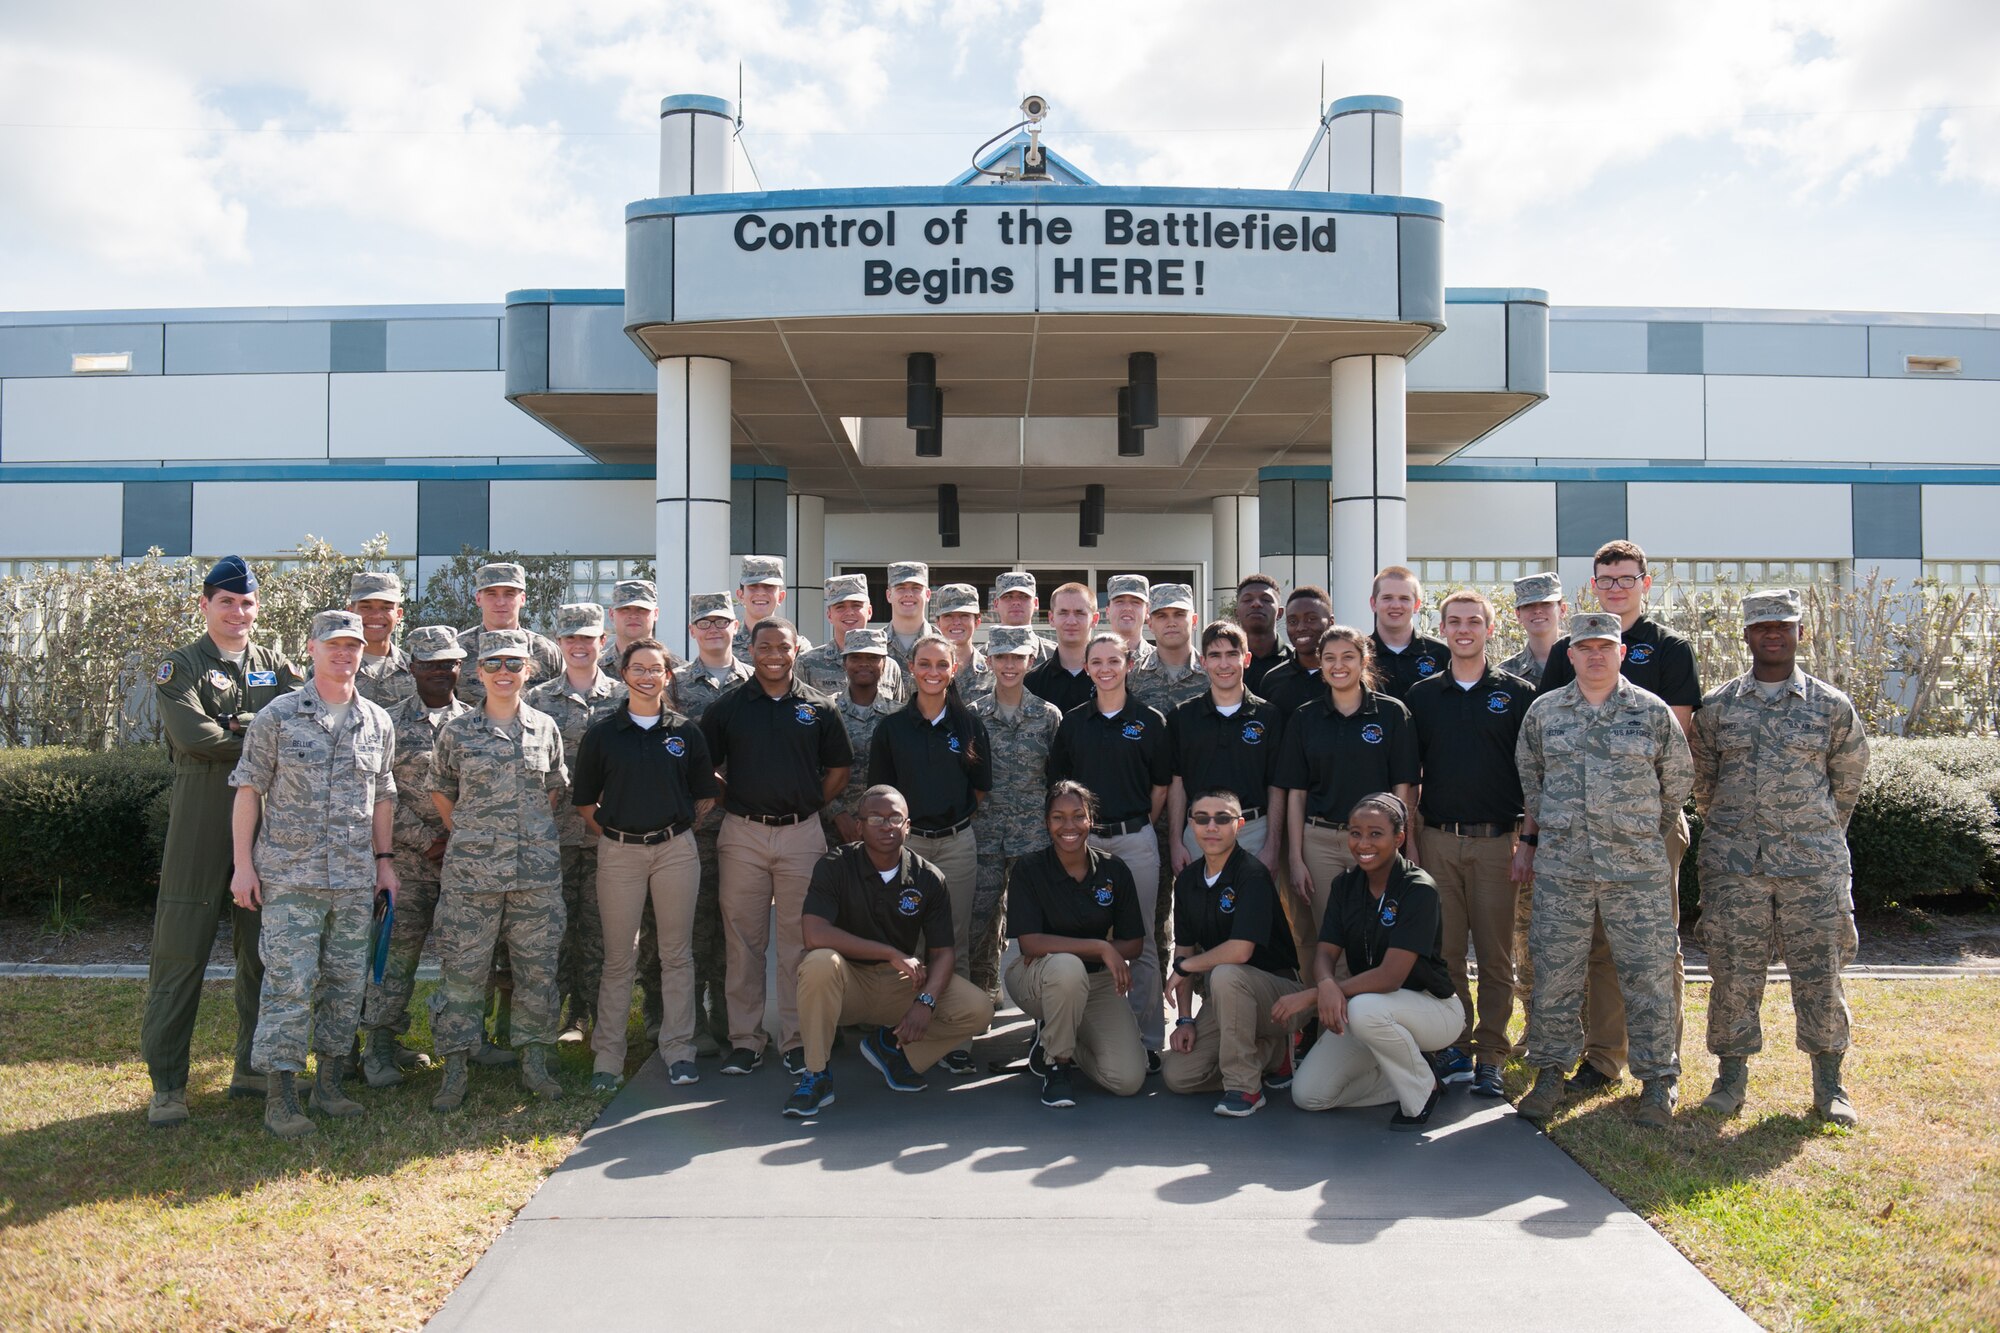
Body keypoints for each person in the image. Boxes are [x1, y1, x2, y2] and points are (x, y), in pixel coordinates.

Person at [1693, 589, 1869, 1126]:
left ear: (1799, 633)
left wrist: (1810, 835)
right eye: (1762, 626)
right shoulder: (1718, 708)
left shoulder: (1830, 705)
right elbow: (1704, 786)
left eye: (1783, 625)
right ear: (1746, 635)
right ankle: (1730, 1080)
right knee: (1732, 973)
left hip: (1812, 867)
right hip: (1734, 868)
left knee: (1820, 973)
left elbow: (1848, 781)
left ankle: (1830, 1084)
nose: (1773, 633)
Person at [1515, 612, 1693, 1128]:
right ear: (1569, 655)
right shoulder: (1545, 714)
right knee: (1555, 973)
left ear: (1621, 653)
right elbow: (1532, 779)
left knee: (1648, 974)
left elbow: (1676, 781)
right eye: (1585, 647)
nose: (1595, 655)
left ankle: (1658, 1079)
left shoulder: (1651, 712)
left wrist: (1633, 831)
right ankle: (1550, 1071)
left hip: (1635, 871)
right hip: (1563, 870)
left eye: (1605, 647)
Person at [143, 554, 302, 1129]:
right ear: (205, 604)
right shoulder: (179, 665)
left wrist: (240, 727)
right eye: (226, 602)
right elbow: (194, 736)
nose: (238, 612)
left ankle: (252, 1068)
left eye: (246, 603)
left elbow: (303, 719)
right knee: (180, 952)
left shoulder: (275, 664)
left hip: (267, 818)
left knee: (261, 950)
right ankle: (168, 1086)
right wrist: (260, 734)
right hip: (201, 813)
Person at [228, 610, 398, 1138]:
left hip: (351, 879)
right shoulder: (278, 717)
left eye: (352, 646)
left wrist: (384, 862)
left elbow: (383, 796)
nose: (344, 654)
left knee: (346, 985)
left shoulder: (377, 720)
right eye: (334, 646)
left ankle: (328, 1084)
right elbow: (248, 791)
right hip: (291, 878)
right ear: (311, 649)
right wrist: (242, 866)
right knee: (288, 984)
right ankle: (281, 1095)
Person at [700, 618, 854, 1076]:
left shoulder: (819, 707)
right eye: (764, 645)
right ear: (749, 649)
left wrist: (808, 803)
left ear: (795, 651)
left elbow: (839, 769)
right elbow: (705, 767)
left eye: (782, 646)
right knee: (743, 941)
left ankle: (795, 1039)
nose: (773, 654)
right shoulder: (727, 708)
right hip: (742, 834)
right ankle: (746, 1039)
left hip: (802, 833)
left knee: (797, 942)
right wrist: (738, 800)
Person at [786, 787, 995, 1116]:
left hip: (899, 983)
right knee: (817, 962)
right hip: (846, 982)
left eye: (895, 818)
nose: (886, 826)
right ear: (859, 826)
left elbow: (943, 953)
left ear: (908, 826)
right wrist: (888, 951)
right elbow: (814, 934)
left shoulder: (929, 877)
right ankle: (816, 1074)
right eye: (876, 818)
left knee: (979, 1009)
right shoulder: (834, 866)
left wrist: (925, 1002)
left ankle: (893, 1050)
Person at [428, 629, 570, 1112]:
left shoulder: (545, 728)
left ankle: (535, 1063)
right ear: (478, 673)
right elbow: (442, 790)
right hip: (472, 878)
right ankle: (454, 1069)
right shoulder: (457, 731)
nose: (503, 673)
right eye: (493, 665)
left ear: (528, 671)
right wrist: (472, 833)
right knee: (463, 974)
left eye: (514, 664)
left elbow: (553, 789)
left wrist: (522, 834)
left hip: (535, 875)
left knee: (537, 972)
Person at [573, 637, 720, 1094]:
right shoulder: (603, 733)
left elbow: (705, 796)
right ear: (624, 674)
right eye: (638, 668)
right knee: (620, 958)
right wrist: (620, 836)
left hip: (675, 850)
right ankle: (608, 1057)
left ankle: (678, 1050)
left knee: (677, 955)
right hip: (619, 853)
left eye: (655, 669)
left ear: (667, 676)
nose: (647, 675)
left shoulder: (685, 732)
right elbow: (583, 802)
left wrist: (670, 832)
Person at [1403, 590, 1534, 1096]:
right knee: (1448, 953)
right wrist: (1412, 841)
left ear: (1490, 629)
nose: (1464, 630)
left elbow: (1532, 775)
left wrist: (1529, 841)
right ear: (1442, 628)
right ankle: (1456, 1045)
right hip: (1438, 840)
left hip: (1498, 843)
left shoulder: (1517, 693)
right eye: (1454, 622)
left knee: (1498, 957)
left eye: (1474, 622)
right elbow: (1411, 777)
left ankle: (1492, 1054)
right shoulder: (1423, 696)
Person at [1279, 793, 1464, 1130]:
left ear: (1399, 838)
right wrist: (1325, 984)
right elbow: (1324, 953)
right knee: (1309, 1095)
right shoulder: (1344, 886)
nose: (1363, 842)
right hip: (1374, 1011)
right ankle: (1412, 1073)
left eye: (1375, 833)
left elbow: (1391, 976)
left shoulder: (1418, 889)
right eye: (1355, 832)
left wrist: (1314, 995)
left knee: (1363, 1009)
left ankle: (1423, 1092)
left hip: (1433, 1009)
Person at [867, 633, 992, 1072]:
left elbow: (979, 789)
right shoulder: (892, 728)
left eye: (943, 664)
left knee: (952, 938)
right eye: (925, 664)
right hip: (908, 847)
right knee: (908, 940)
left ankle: (954, 1036)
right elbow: (880, 797)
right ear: (910, 667)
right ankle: (904, 1029)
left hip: (957, 844)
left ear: (953, 670)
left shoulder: (969, 725)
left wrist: (948, 823)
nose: (933, 672)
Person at [1047, 630, 1174, 1061]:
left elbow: (1161, 786)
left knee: (1141, 941)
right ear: (1087, 668)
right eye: (1096, 662)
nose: (1104, 669)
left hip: (1136, 840)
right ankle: (1069, 1039)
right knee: (1076, 938)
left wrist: (1137, 827)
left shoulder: (1150, 721)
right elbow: (1060, 787)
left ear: (1129, 665)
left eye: (1113, 661)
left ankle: (1149, 1042)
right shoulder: (1074, 722)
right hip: (1083, 844)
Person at [358, 625, 473, 1087]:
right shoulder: (384, 721)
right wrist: (426, 839)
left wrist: (458, 838)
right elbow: (375, 791)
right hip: (406, 863)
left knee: (466, 956)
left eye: (448, 663)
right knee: (394, 959)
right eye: (429, 664)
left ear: (460, 667)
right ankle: (379, 1050)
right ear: (412, 668)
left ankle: (467, 1041)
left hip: (464, 861)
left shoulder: (476, 720)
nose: (440, 672)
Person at [1003, 781, 1148, 1107]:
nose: (1068, 826)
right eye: (1058, 817)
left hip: (1095, 983)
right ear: (1046, 822)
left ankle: (1060, 1034)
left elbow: (1134, 944)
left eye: (1078, 816)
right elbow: (1030, 944)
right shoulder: (1028, 869)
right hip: (1037, 977)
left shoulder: (1114, 869)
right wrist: (1101, 947)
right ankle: (1057, 1065)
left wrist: (1107, 950)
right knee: (1066, 966)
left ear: (1091, 820)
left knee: (1127, 1080)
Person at [1161, 789, 1303, 1116]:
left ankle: (1245, 1088)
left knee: (1225, 973)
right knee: (1178, 1076)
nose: (1212, 827)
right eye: (1202, 819)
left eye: (1222, 819)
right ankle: (1272, 1055)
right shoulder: (1186, 883)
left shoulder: (1251, 874)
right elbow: (1182, 951)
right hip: (1228, 998)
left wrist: (1186, 967)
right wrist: (1183, 1019)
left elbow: (1240, 951)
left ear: (1238, 825)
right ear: (1191, 825)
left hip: (1281, 996)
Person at [1278, 626, 1420, 951]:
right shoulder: (1305, 718)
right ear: (1320, 663)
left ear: (1364, 660)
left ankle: (1368, 1003)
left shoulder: (1391, 713)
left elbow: (1404, 786)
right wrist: (1296, 858)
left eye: (1347, 657)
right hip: (1320, 842)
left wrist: (1401, 843)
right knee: (1329, 938)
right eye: (1329, 658)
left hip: (1376, 842)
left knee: (1376, 933)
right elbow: (1296, 794)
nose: (1338, 665)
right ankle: (1330, 1002)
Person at [527, 603, 625, 1043]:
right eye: (570, 639)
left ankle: (592, 1018)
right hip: (554, 836)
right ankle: (555, 1017)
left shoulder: (625, 697)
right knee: (555, 930)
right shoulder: (537, 698)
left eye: (588, 638)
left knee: (601, 930)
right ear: (559, 644)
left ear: (602, 642)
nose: (579, 646)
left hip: (609, 834)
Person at [671, 592, 755, 1055]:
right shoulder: (677, 684)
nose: (714, 629)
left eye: (722, 621)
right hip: (698, 825)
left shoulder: (756, 680)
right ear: (692, 631)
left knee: (736, 929)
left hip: (745, 823)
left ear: (736, 626)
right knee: (695, 925)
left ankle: (731, 1018)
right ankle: (691, 1021)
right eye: (704, 623)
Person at [969, 626, 1065, 995]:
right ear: (990, 660)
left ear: (1030, 660)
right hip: (985, 834)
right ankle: (981, 995)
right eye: (1002, 657)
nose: (1009, 665)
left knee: (1039, 924)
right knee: (978, 923)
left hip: (1032, 838)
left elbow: (1056, 779)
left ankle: (1043, 1007)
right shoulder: (974, 715)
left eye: (1017, 657)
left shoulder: (1047, 716)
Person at [1167, 620, 1286, 878]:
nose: (1224, 664)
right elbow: (1176, 783)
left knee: (1255, 917)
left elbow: (1277, 785)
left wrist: (1272, 846)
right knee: (1200, 916)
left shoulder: (1269, 716)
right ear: (1203, 661)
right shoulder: (1183, 717)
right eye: (1215, 656)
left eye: (1232, 655)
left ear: (1247, 659)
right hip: (1198, 833)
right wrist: (1176, 842)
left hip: (1254, 832)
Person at [823, 628, 901, 844]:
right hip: (831, 830)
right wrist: (837, 813)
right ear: (843, 663)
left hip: (886, 828)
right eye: (855, 657)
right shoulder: (826, 711)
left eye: (873, 657)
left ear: (884, 664)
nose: (864, 663)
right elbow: (811, 769)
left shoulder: (899, 716)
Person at [454, 563, 562, 705]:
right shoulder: (458, 650)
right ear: (478, 598)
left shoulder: (546, 651)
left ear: (523, 599)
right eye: (491, 594)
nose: (500, 602)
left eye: (509, 594)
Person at [796, 573, 906, 702]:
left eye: (856, 605)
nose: (849, 612)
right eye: (840, 606)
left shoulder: (889, 666)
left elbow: (898, 715)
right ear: (829, 615)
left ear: (869, 611)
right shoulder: (807, 663)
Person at [1369, 565, 1450, 701]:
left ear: (1417, 605)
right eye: (1387, 598)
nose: (1395, 605)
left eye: (1404, 598)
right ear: (1373, 603)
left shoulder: (1441, 654)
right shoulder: (1359, 654)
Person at [1127, 582, 1207, 714]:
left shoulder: (1211, 673)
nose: (1171, 623)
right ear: (1150, 624)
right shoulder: (1132, 675)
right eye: (1161, 616)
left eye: (1179, 614)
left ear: (1194, 621)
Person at [1025, 581, 1101, 714]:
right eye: (1063, 613)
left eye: (1079, 613)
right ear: (1051, 618)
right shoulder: (1032, 683)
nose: (1071, 621)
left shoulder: (1109, 678)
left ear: (1094, 619)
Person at [1256, 585, 1332, 717]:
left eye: (1311, 619)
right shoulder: (1272, 680)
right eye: (1293, 621)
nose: (1300, 627)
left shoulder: (1345, 676)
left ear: (1331, 622)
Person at [348, 570, 413, 707]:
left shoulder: (415, 670)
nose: (376, 615)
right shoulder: (332, 668)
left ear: (399, 615)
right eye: (366, 607)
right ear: (350, 612)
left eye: (386, 607)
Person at [731, 556, 812, 660]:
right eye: (753, 586)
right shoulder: (726, 644)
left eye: (769, 586)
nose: (761, 593)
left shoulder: (798, 646)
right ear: (741, 595)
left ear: (781, 597)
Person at [1500, 571, 1566, 687]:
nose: (1537, 610)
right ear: (1518, 615)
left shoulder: (1582, 664)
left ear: (1562, 610)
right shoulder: (1505, 674)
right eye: (1528, 605)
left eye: (1546, 603)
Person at [602, 579, 680, 675]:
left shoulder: (678, 671)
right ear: (611, 614)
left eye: (642, 609)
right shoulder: (593, 668)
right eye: (625, 609)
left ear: (655, 614)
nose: (633, 615)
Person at [931, 583, 994, 702]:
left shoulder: (993, 671)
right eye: (948, 616)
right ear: (938, 623)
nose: (956, 622)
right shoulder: (926, 672)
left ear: (977, 622)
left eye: (964, 616)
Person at [1233, 573, 1292, 692]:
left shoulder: (1296, 660)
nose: (1256, 604)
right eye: (1247, 599)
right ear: (1236, 613)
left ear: (1280, 612)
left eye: (1266, 599)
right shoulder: (1225, 663)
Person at [881, 560, 939, 673]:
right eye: (900, 588)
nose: (908, 594)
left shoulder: (942, 644)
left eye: (916, 588)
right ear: (889, 595)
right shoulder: (876, 643)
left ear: (928, 595)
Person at [992, 570, 1054, 663]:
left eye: (1024, 596)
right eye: (1008, 596)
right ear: (996, 604)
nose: (1016, 602)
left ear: (1035, 603)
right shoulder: (982, 657)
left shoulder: (1055, 656)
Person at [1104, 574, 1158, 669]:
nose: (1127, 608)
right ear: (1108, 611)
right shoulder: (1092, 659)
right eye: (1119, 601)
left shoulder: (1161, 661)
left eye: (1135, 602)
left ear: (1147, 611)